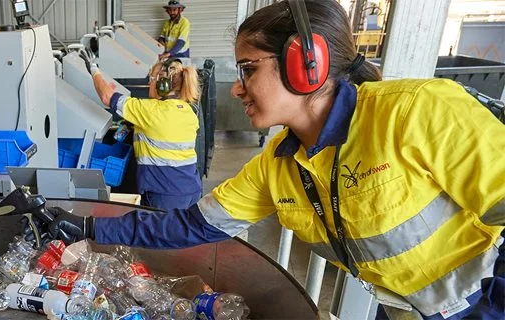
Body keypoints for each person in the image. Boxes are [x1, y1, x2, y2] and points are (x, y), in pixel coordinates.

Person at [37, 1, 505, 319]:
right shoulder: (277, 166)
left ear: (307, 63)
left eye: (248, 69)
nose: (238, 87)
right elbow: (186, 226)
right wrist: (85, 228)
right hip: (404, 308)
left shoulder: (415, 111)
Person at [79, 50, 203, 212]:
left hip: (165, 195)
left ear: (161, 84)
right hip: (191, 189)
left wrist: (94, 70)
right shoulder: (187, 111)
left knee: (159, 236)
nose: (148, 84)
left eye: (151, 79)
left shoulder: (150, 110)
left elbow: (107, 97)